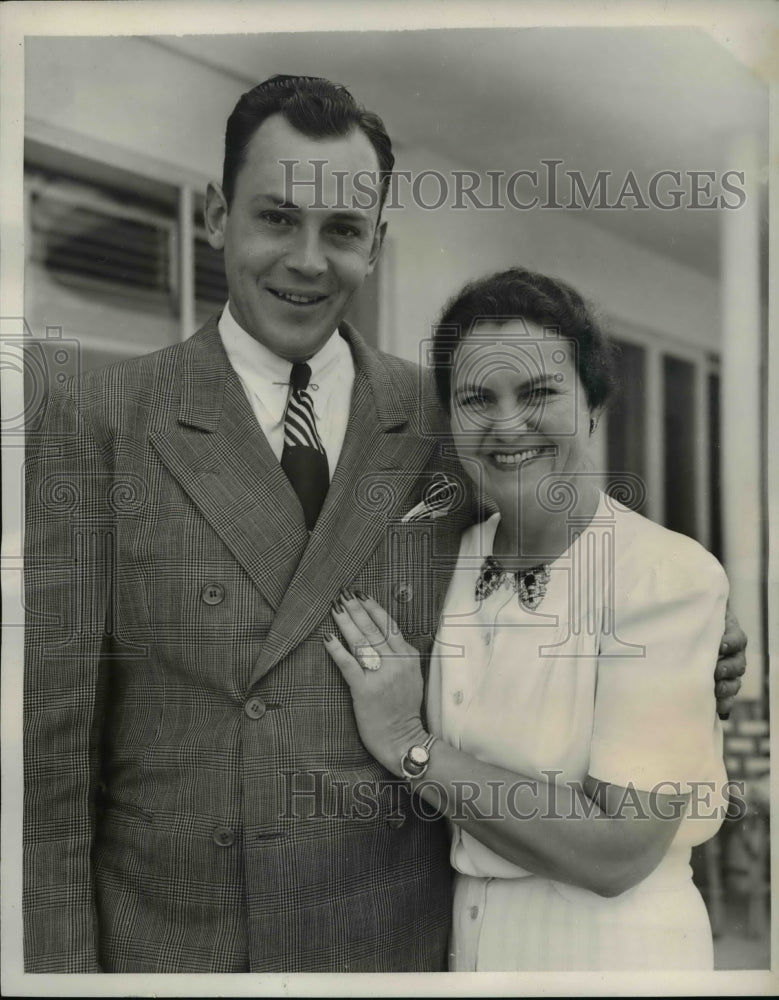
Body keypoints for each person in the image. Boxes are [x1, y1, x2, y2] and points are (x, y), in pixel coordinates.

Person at [23, 77, 745, 974]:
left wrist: (693, 629)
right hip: (182, 947)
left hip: (396, 944)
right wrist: (58, 981)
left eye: (342, 231)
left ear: (377, 243)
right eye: (276, 218)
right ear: (216, 215)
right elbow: (45, 757)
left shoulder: (441, 415)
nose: (307, 261)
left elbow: (557, 535)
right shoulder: (101, 413)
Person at [325, 267, 740, 971]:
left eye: (540, 392)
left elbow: (617, 851)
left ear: (593, 407)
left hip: (613, 952)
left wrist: (407, 742)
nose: (507, 423)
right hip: (469, 938)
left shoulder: (663, 574)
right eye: (476, 398)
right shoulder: (447, 556)